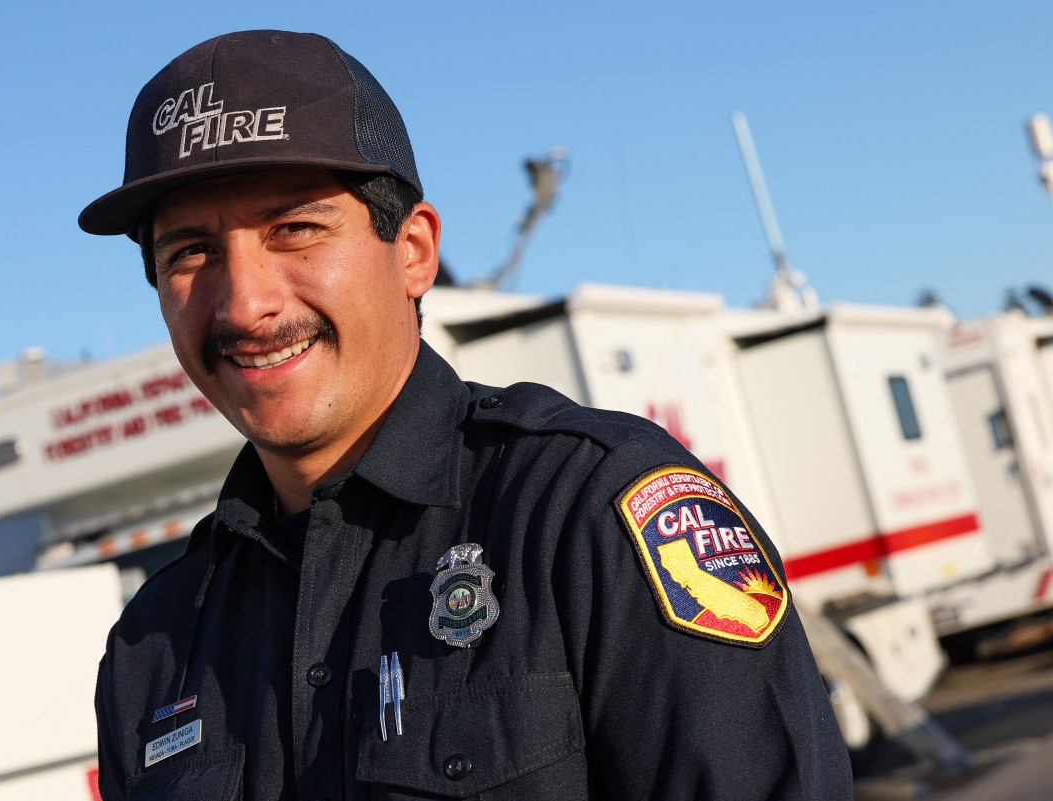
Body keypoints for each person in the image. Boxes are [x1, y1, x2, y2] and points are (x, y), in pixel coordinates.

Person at [80, 29, 854, 800]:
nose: (245, 304)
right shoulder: (152, 647)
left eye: (295, 229)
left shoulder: (585, 515)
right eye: (191, 252)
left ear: (414, 250)